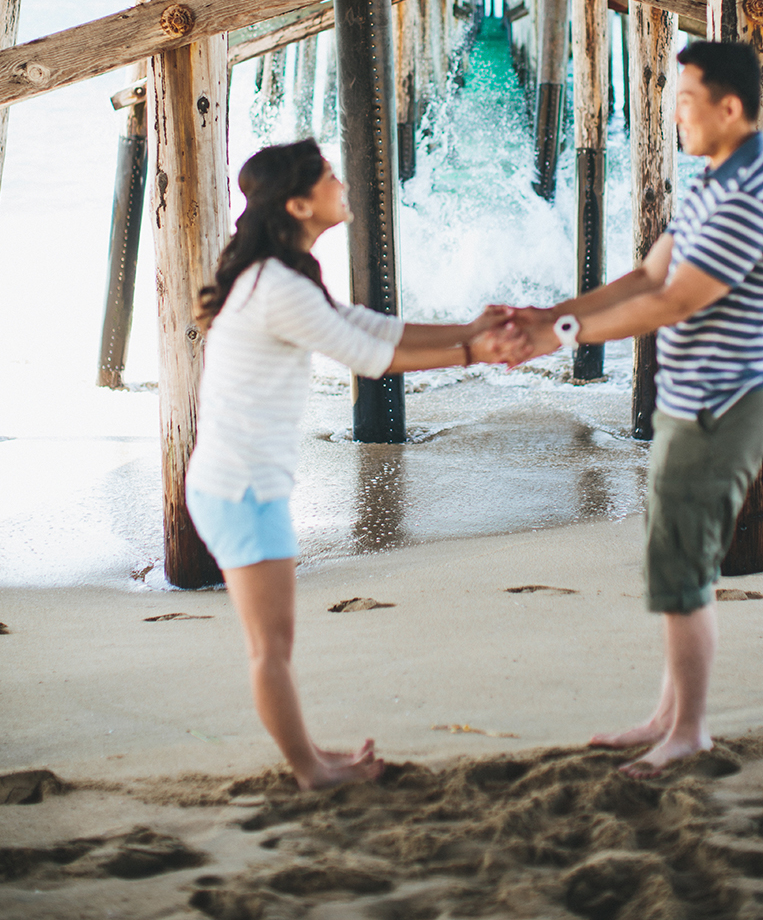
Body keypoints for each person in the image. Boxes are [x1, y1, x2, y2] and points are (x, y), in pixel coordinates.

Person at [186, 139, 526, 789]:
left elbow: (371, 327)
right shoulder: (277, 287)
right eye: (331, 176)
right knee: (271, 648)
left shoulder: (282, 278)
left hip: (245, 485)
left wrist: (466, 330)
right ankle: (311, 770)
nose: (343, 184)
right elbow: (368, 358)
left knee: (276, 644)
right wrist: (474, 353)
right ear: (297, 203)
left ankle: (310, 753)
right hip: (240, 489)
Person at [512, 41, 763, 778]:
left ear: (729, 109)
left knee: (683, 572)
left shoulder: (750, 194)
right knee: (674, 555)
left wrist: (560, 335)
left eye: (685, 100)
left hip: (720, 404)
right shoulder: (712, 179)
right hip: (694, 398)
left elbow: (672, 302)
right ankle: (666, 715)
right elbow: (648, 272)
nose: (675, 113)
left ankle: (689, 731)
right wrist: (548, 317)